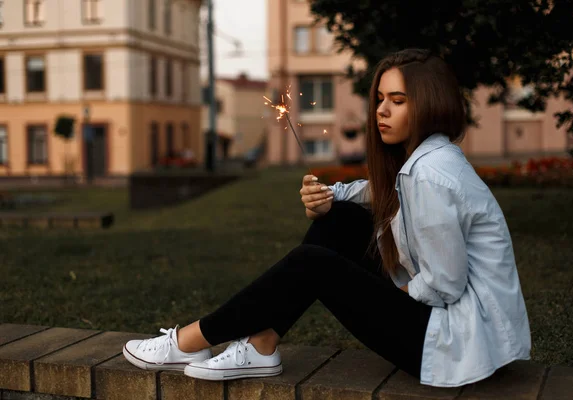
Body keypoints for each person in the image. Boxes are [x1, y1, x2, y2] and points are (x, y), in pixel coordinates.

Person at [122, 49, 531, 387]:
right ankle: (262, 345)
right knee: (339, 220)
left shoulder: (431, 174)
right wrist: (327, 195)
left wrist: (376, 295)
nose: (381, 112)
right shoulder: (425, 160)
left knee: (312, 265)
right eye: (380, 100)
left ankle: (189, 340)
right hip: (449, 325)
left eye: (398, 101)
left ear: (430, 104)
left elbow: (445, 283)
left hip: (455, 342)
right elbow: (375, 191)